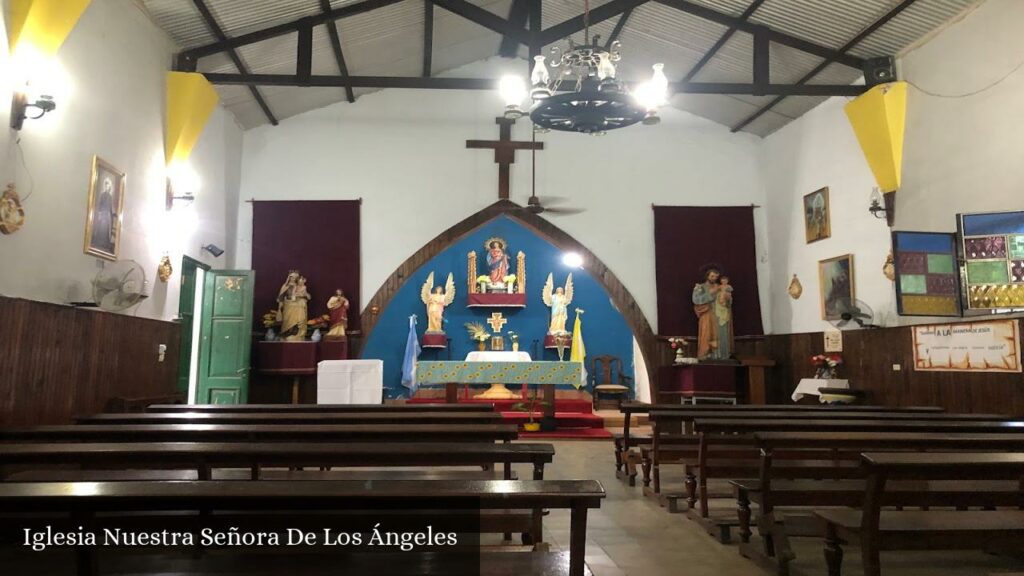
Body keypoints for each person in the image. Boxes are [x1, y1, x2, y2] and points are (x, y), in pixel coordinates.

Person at [692, 264, 733, 361]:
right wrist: (711, 293)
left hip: (720, 316)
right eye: (712, 276)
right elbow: (696, 300)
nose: (714, 278)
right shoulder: (700, 287)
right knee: (707, 334)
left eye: (716, 277)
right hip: (707, 315)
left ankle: (722, 356)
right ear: (707, 276)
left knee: (721, 335)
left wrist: (728, 299)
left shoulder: (721, 287)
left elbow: (728, 303)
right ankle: (707, 354)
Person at [91, 177, 117, 252]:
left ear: (109, 186)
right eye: (106, 185)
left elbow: (111, 206)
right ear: (104, 186)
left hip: (108, 215)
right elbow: (100, 205)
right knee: (101, 228)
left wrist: (113, 213)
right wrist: (100, 214)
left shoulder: (110, 196)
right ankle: (99, 243)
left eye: (108, 185)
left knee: (106, 229)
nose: (107, 186)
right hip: (103, 214)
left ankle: (105, 244)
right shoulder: (102, 195)